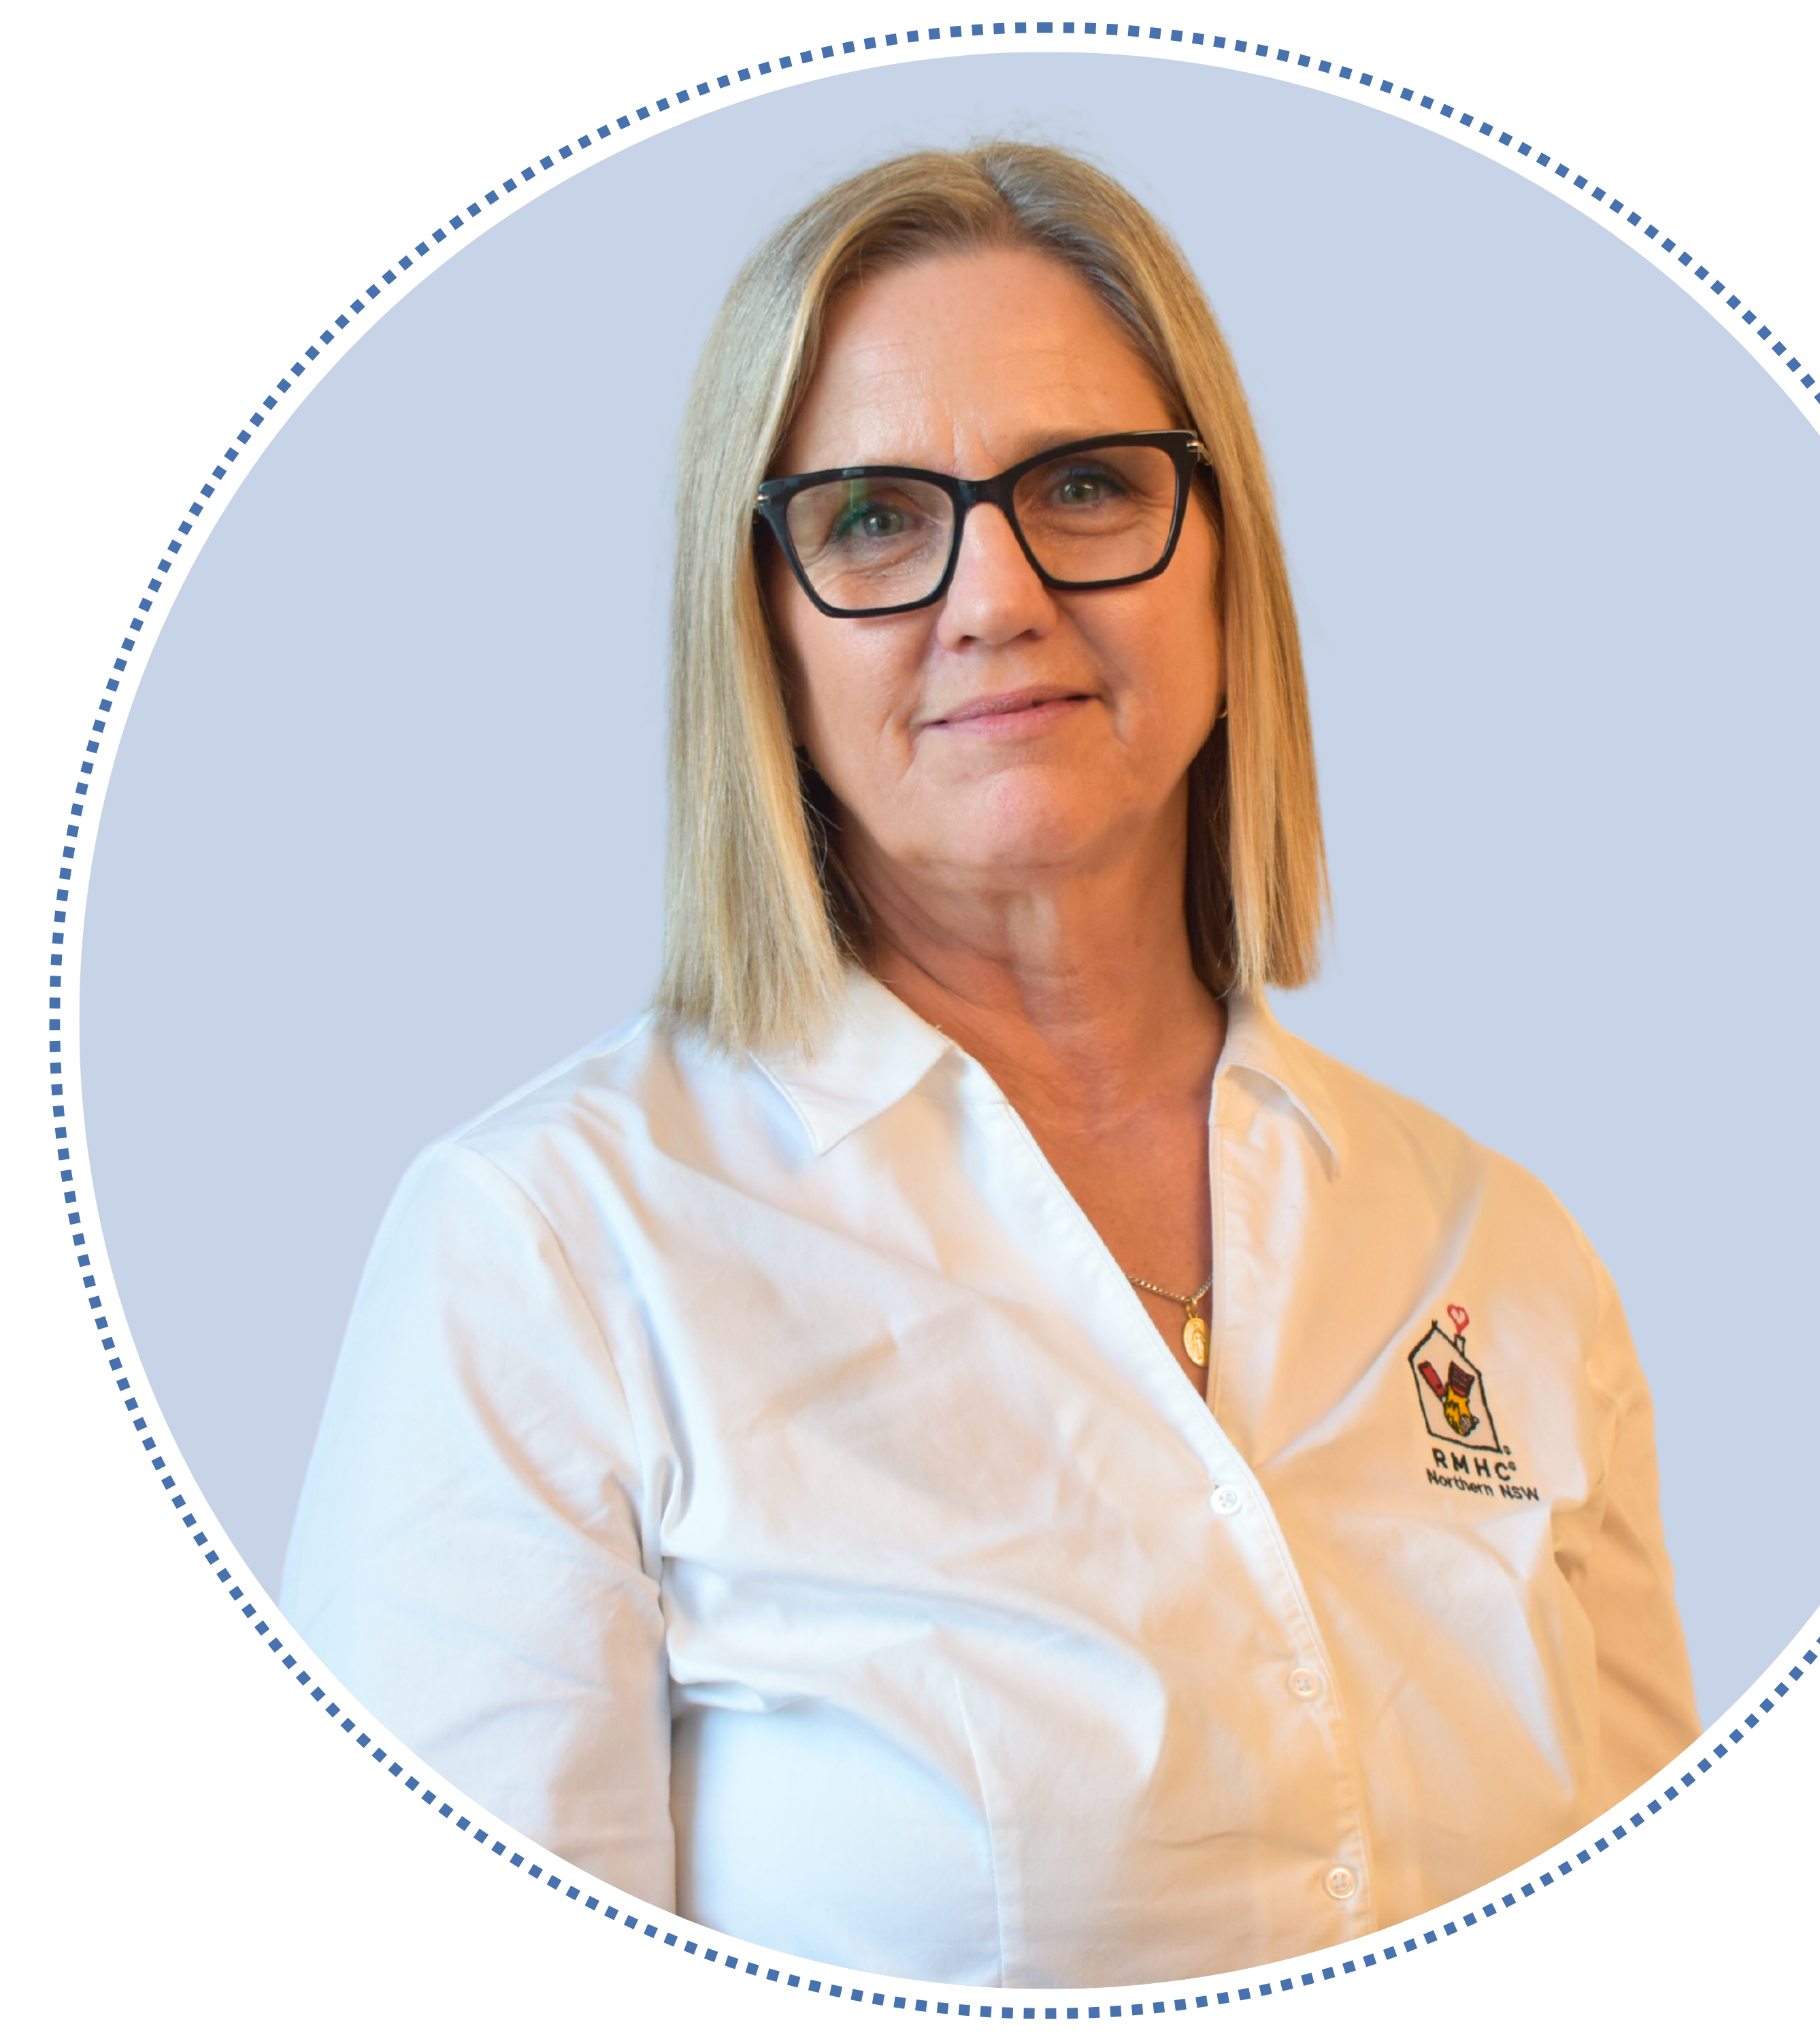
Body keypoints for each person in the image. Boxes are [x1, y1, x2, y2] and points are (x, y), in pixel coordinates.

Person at [278, 137, 1698, 1987]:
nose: (996, 594)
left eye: (1088, 488)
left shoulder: (1499, 1255)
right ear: (759, 631)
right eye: (875, 517)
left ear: (1221, 559)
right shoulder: (546, 1253)